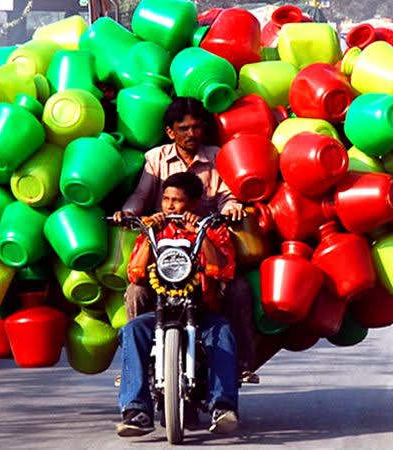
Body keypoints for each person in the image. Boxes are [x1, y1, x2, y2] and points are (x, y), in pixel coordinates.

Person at [113, 97, 259, 382]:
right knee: (135, 292)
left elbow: (228, 195)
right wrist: (128, 214)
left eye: (196, 127)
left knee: (238, 289)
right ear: (171, 132)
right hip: (163, 247)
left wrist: (231, 208)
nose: (191, 134)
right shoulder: (155, 159)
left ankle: (241, 363)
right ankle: (134, 367)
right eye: (184, 128)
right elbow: (140, 197)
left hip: (206, 243)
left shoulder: (218, 156)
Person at [117, 172, 239, 437]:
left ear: (194, 204)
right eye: (166, 199)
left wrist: (200, 233)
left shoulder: (212, 228)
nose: (170, 206)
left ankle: (223, 407)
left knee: (223, 333)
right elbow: (135, 273)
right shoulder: (154, 229)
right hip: (161, 309)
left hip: (202, 311)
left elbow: (222, 269)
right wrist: (151, 232)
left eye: (178, 201)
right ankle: (136, 410)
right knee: (133, 330)